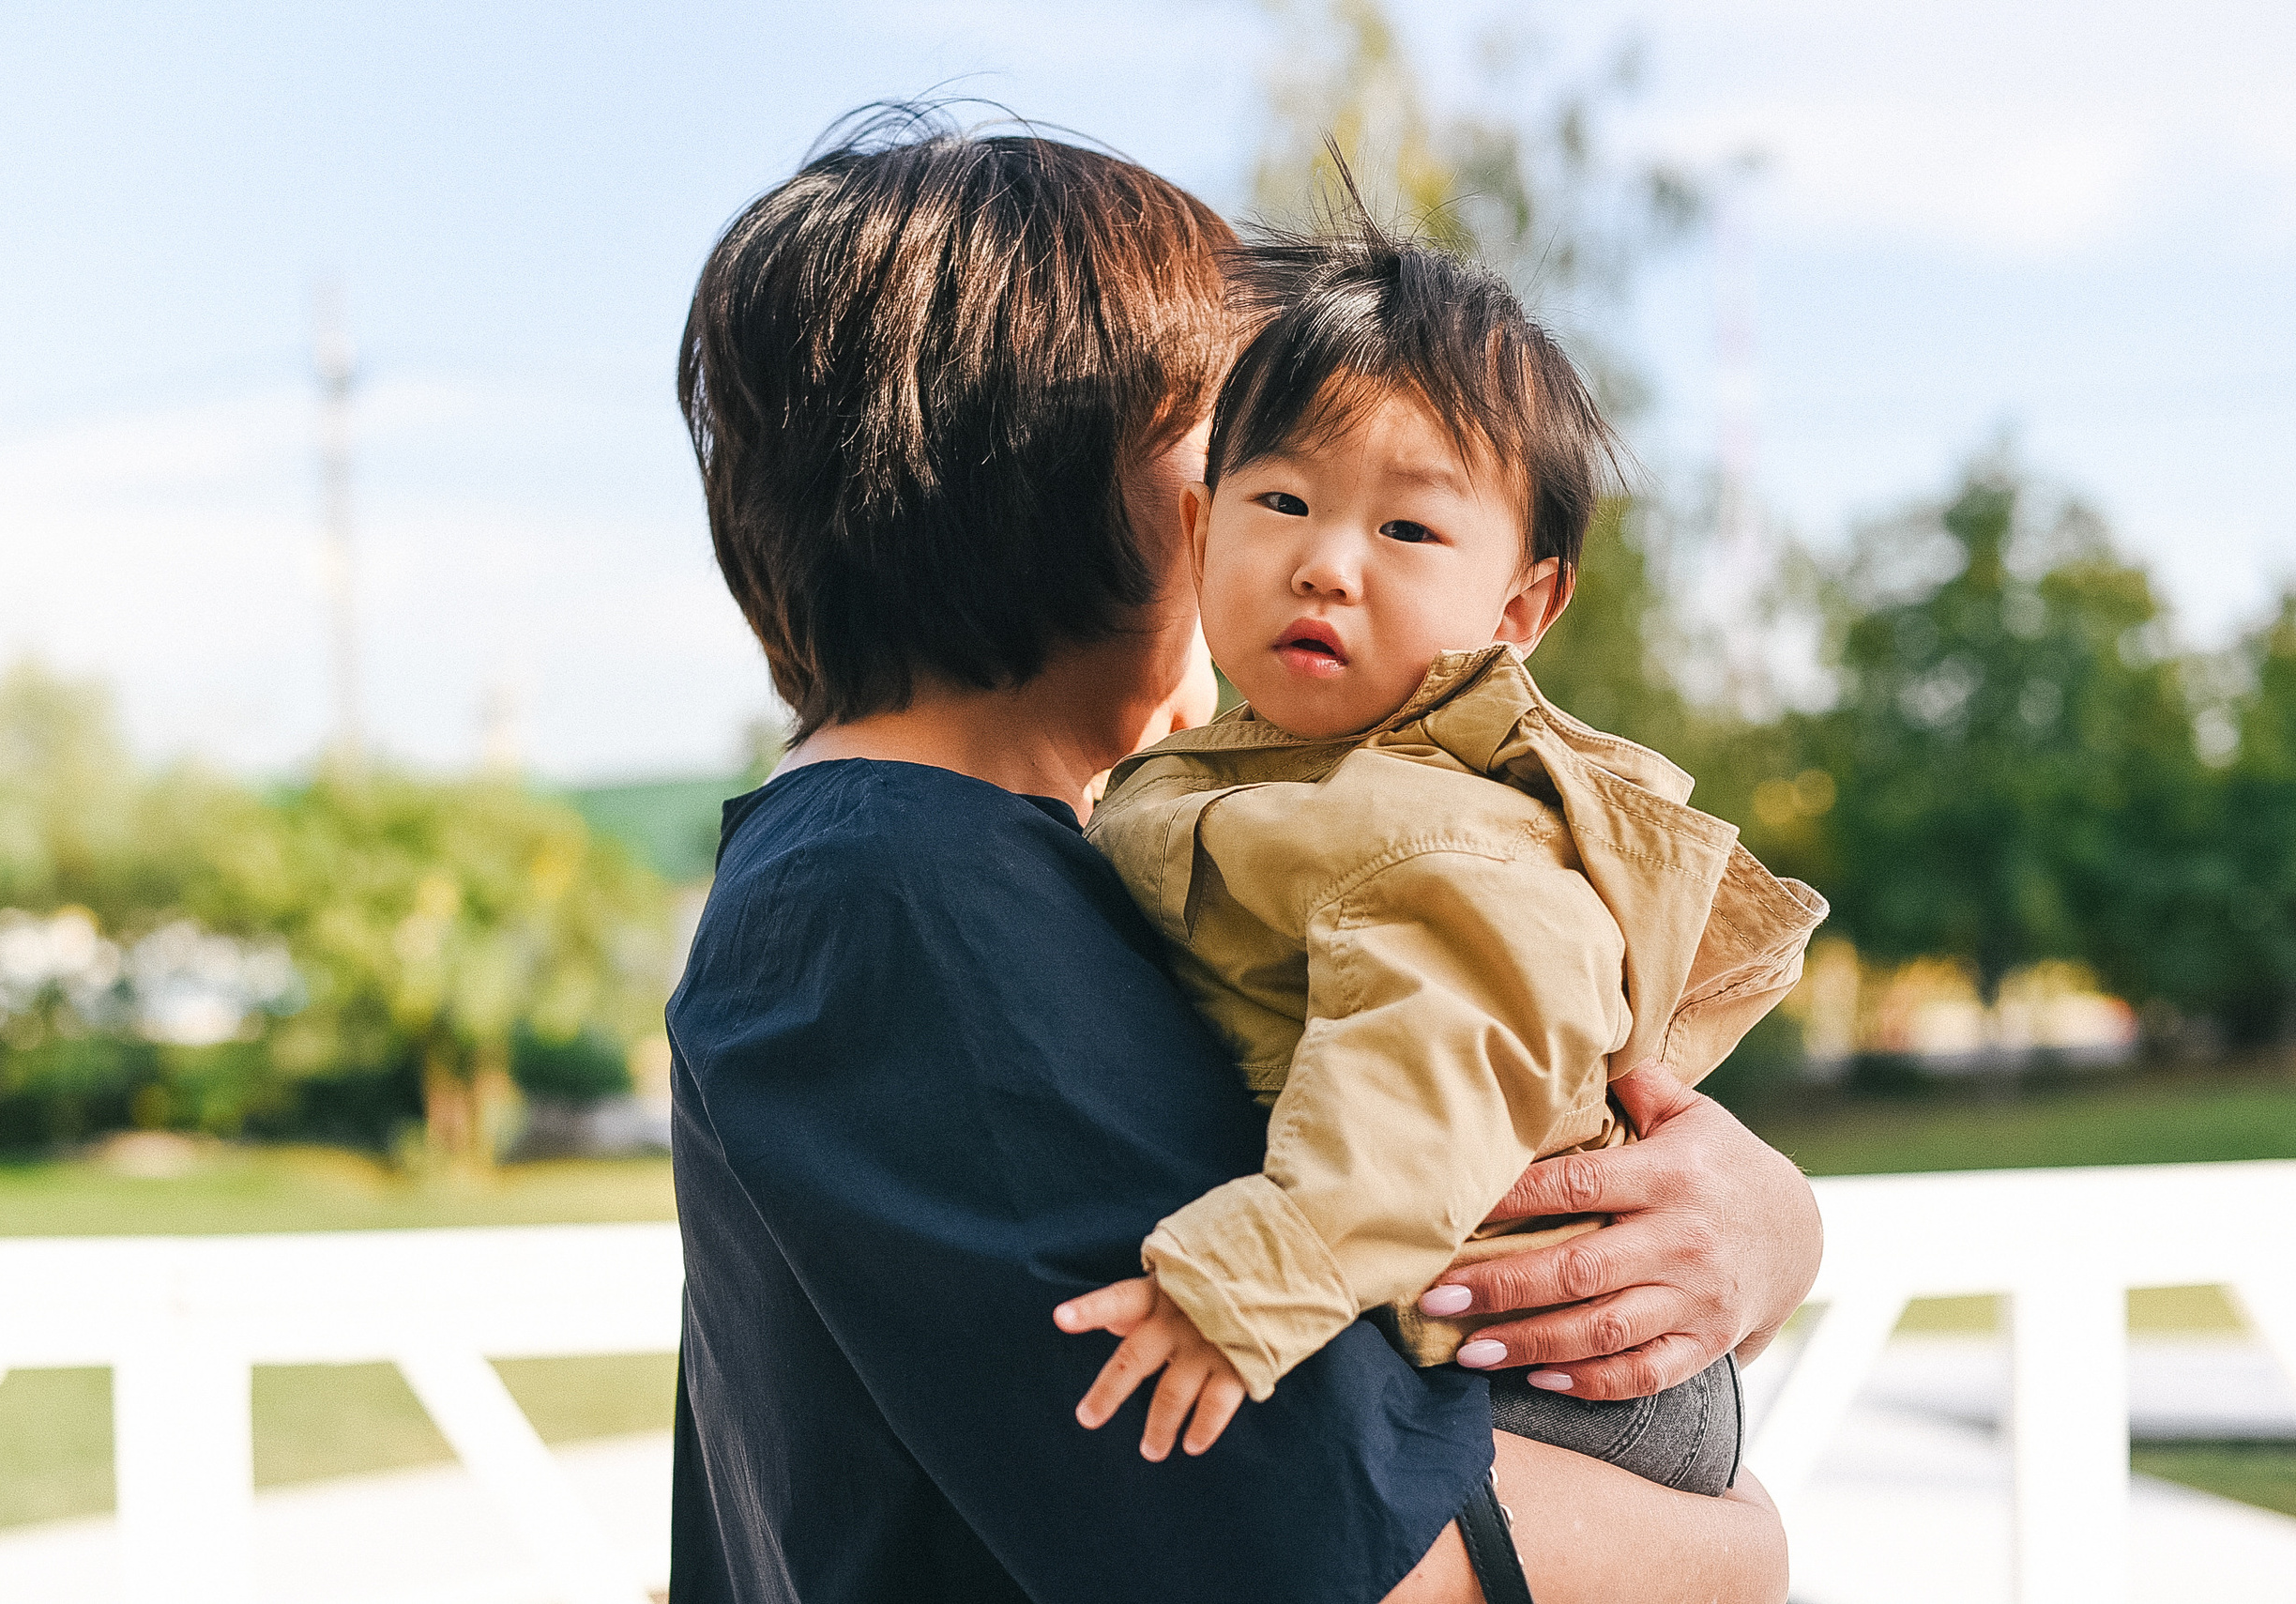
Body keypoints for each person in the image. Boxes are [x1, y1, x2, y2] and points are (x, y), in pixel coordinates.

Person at [668, 108, 1811, 1604]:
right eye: (1247, 459)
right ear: (1068, 483)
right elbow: (1338, 1552)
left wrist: (1766, 1231)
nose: (1300, 539)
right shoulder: (903, 899)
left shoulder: (957, 873)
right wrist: (1743, 1549)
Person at [1057, 200, 1826, 1503]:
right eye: (1284, 500)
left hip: (1551, 1367)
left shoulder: (1441, 818)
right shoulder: (1257, 769)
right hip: (1456, 1326)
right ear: (1199, 534)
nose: (1328, 564)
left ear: (1521, 607)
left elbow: (1441, 1062)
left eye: (1408, 530)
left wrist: (1265, 1263)